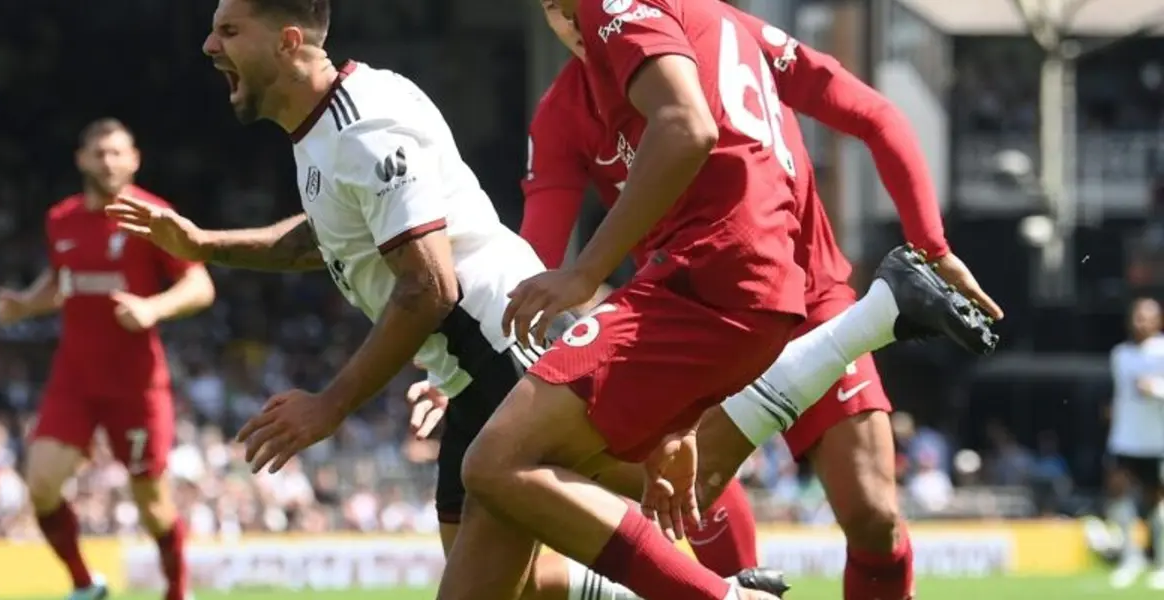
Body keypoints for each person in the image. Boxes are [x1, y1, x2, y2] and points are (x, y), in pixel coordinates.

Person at [105, 1, 782, 596]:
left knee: (635, 496)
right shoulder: (325, 129)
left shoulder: (363, 128)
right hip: (472, 373)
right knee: (528, 577)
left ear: (288, 41)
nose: (208, 46)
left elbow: (429, 287)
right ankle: (727, 581)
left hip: (504, 350)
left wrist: (330, 405)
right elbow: (329, 240)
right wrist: (203, 244)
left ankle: (730, 584)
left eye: (228, 29)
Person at [418, 1, 1000, 598]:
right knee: (664, 482)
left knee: (872, 514)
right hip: (689, 298)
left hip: (775, 290)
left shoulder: (697, 26)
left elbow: (871, 113)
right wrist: (491, 346)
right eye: (549, 11)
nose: (567, 22)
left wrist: (932, 243)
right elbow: (537, 252)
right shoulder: (568, 108)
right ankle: (736, 588)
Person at [0, 118, 215, 600]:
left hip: (135, 385)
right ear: (81, 159)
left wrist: (153, 307)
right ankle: (85, 584)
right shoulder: (61, 219)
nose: (108, 161)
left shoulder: (153, 215)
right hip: (74, 378)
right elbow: (62, 281)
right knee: (41, 484)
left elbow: (200, 285)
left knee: (152, 506)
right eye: (99, 153)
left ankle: (178, 591)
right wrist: (24, 304)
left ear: (134, 159)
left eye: (117, 153)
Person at [1105, 297, 1164, 590]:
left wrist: (1157, 389)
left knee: (1157, 503)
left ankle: (1161, 563)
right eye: (1137, 316)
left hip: (1158, 441)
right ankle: (1131, 558)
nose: (1140, 322)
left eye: (1147, 317)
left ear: (1159, 321)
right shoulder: (1120, 354)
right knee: (1121, 499)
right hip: (1126, 440)